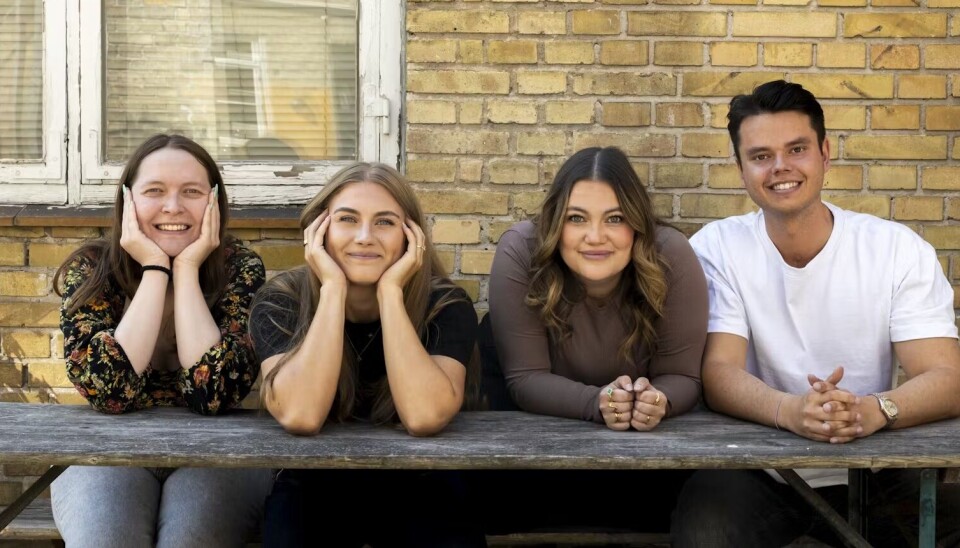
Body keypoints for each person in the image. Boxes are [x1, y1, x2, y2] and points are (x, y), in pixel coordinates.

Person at [673, 80, 960, 547]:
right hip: (757, 467)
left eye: (797, 149)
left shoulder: (894, 249)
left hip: (874, 462)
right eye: (761, 156)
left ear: (825, 153)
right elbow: (718, 370)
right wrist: (790, 410)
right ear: (741, 169)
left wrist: (874, 410)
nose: (780, 167)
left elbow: (948, 376)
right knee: (706, 528)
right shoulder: (716, 248)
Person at [51, 134, 273, 548]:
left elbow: (214, 394)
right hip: (108, 455)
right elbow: (109, 391)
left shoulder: (239, 268)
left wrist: (186, 268)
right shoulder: (94, 268)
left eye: (191, 191)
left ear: (214, 201)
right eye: (155, 191)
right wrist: (156, 266)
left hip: (218, 457)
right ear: (128, 201)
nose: (173, 207)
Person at [250, 162, 485, 547]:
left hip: (423, 482)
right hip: (313, 483)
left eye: (385, 222)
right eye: (347, 219)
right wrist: (332, 290)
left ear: (412, 236)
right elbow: (301, 415)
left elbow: (425, 417)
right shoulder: (281, 302)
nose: (364, 237)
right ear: (318, 230)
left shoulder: (444, 305)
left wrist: (391, 292)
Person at [480, 146, 708, 533]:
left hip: (641, 463)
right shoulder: (522, 250)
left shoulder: (670, 254)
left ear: (636, 223)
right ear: (556, 223)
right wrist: (598, 401)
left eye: (614, 218)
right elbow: (525, 378)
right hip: (531, 455)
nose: (595, 237)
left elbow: (684, 377)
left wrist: (656, 401)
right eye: (576, 218)